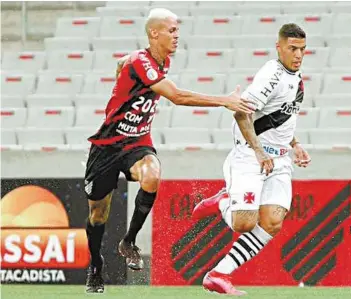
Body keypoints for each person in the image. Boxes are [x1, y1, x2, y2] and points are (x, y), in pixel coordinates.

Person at [84, 8, 255, 293]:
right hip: (107, 146)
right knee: (98, 215)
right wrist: (223, 100)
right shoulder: (142, 61)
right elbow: (176, 96)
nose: (177, 36)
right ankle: (95, 265)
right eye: (172, 30)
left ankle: (128, 242)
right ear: (154, 33)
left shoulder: (159, 60)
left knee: (152, 175)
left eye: (177, 30)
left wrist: (121, 68)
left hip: (137, 142)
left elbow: (125, 65)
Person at [192, 23, 312, 295]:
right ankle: (224, 199)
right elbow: (241, 113)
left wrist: (295, 145)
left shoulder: (296, 76)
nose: (298, 54)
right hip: (251, 155)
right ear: (279, 47)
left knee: (272, 222)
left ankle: (219, 274)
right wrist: (258, 151)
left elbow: (282, 116)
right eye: (292, 48)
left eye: (303, 49)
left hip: (279, 160)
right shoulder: (271, 74)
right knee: (243, 223)